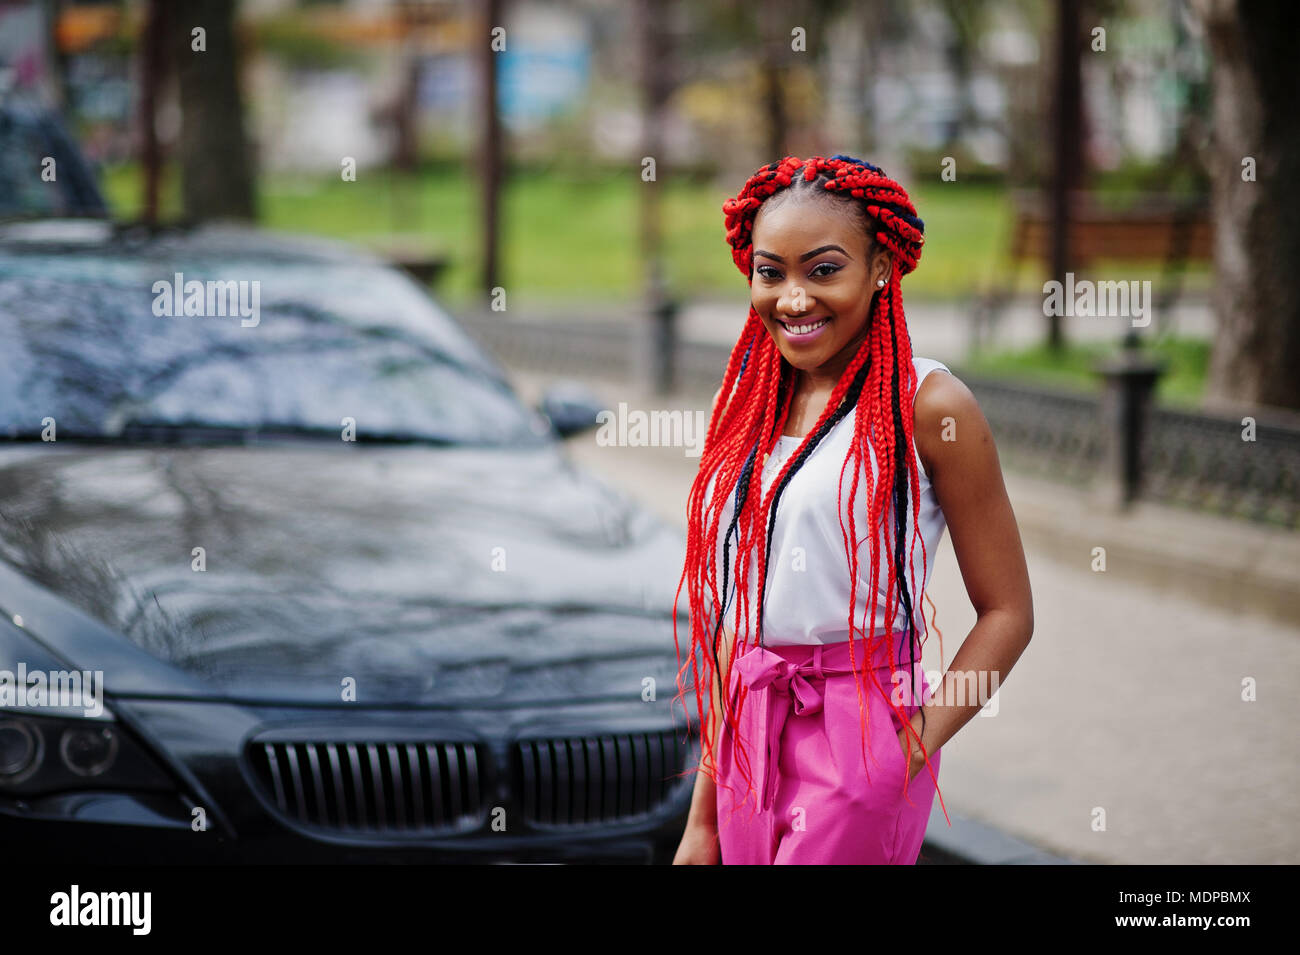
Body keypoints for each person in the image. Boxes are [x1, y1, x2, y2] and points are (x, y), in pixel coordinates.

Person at [671, 155, 1034, 865]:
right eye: (771, 272)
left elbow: (1009, 612)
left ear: (880, 269)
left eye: (823, 269)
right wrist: (702, 821)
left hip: (860, 730)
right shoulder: (747, 403)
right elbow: (733, 619)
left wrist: (907, 748)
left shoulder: (930, 405)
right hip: (749, 726)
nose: (794, 298)